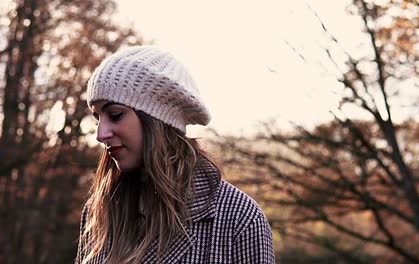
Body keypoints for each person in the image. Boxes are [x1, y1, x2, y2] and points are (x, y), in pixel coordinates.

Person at [75, 45, 275, 264]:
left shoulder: (239, 219)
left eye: (115, 115)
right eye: (98, 118)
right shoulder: (100, 211)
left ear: (159, 120)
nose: (100, 134)